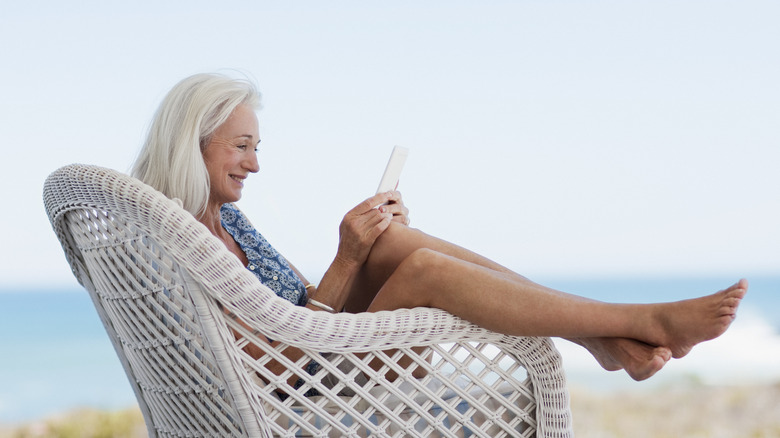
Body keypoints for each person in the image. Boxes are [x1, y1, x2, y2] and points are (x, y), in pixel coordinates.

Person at [131, 72, 747, 386]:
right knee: (420, 269)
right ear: (194, 139)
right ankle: (629, 325)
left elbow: (295, 301)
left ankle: (599, 336)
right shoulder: (175, 235)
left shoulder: (225, 216)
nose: (255, 163)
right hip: (303, 387)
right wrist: (346, 262)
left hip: (320, 348)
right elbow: (278, 354)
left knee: (394, 241)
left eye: (256, 146)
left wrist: (358, 250)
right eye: (242, 145)